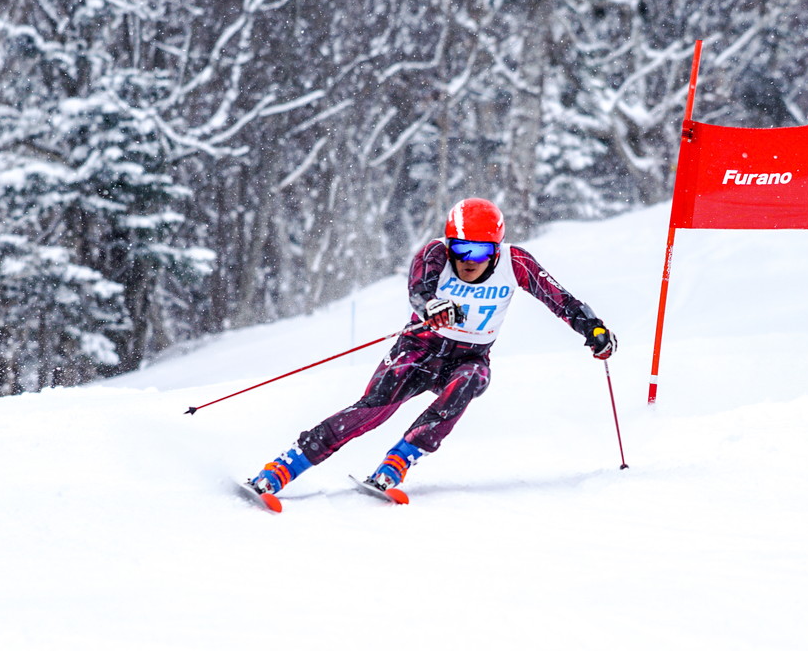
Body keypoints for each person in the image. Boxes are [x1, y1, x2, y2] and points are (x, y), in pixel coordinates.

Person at [246, 197, 617, 497]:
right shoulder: (435, 254)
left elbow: (558, 298)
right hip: (419, 348)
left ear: (496, 248)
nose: (468, 261)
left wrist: (593, 328)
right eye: (461, 249)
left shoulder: (515, 263)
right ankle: (286, 466)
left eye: (479, 251)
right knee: (371, 413)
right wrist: (432, 307)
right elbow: (418, 289)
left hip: (468, 356)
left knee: (474, 377)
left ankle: (402, 459)